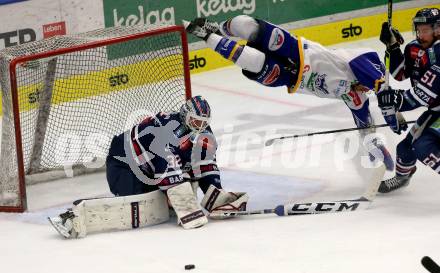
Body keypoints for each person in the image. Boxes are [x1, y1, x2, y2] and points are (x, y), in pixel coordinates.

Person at [184, 15, 393, 171]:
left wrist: (374, 145)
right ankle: (218, 30)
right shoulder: (357, 60)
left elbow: (365, 122)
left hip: (290, 79)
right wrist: (384, 92)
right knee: (243, 24)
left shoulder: (355, 96)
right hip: (297, 50)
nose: (365, 89)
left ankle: (207, 36)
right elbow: (366, 68)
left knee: (253, 61)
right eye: (368, 85)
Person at [49, 95, 249, 238]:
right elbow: (166, 167)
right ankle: (74, 216)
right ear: (185, 116)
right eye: (195, 121)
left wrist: (216, 196)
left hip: (151, 168)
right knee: (136, 202)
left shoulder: (204, 133)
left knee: (176, 190)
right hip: (124, 164)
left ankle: (168, 194)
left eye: (204, 123)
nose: (199, 127)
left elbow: (206, 164)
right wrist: (185, 206)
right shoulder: (164, 130)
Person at [377, 7, 440, 193]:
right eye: (418, 29)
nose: (421, 34)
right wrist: (393, 47)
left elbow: (424, 94)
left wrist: (396, 102)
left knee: (424, 146)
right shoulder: (414, 48)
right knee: (405, 148)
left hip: (434, 105)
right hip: (435, 110)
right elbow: (400, 73)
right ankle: (402, 178)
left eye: (425, 30)